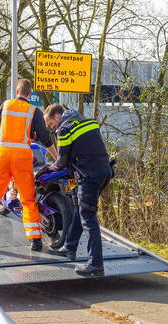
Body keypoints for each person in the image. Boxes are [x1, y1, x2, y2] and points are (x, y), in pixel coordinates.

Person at [0, 79, 56, 251]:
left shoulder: (5, 106)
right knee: (27, 198)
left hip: (3, 155)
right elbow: (45, 138)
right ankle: (35, 240)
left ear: (16, 91)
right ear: (30, 94)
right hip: (22, 156)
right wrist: (57, 158)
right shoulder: (34, 111)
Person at [44, 104, 112, 276]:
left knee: (88, 217)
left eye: (51, 124)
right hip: (104, 171)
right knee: (79, 210)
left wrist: (52, 167)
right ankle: (70, 247)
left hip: (88, 174)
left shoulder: (65, 130)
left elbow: (62, 160)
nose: (51, 128)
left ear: (58, 117)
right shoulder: (89, 122)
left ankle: (95, 263)